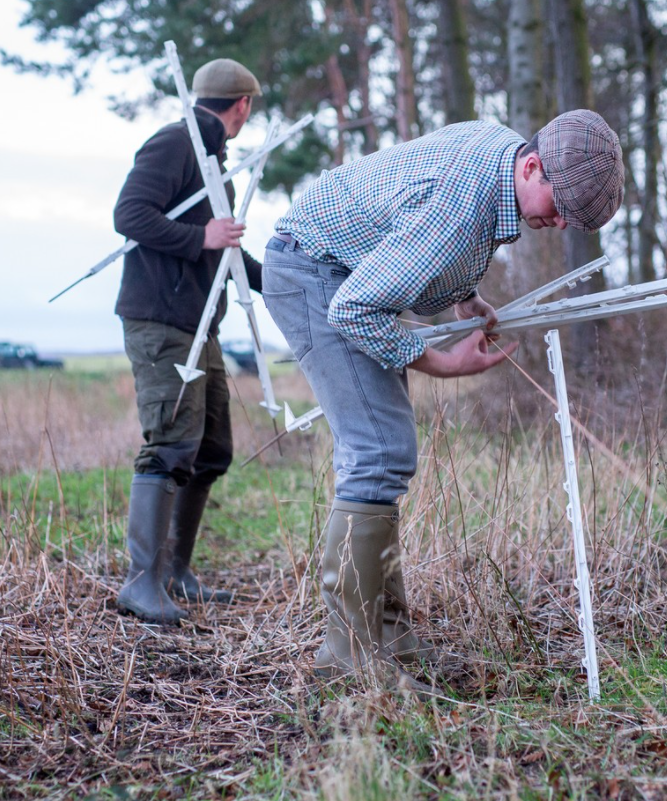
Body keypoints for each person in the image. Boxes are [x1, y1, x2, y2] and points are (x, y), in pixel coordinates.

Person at [261, 109, 624, 685]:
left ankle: (392, 638)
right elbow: (355, 307)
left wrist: (464, 297)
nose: (558, 224)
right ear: (532, 166)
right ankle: (350, 658)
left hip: (344, 270)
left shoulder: (501, 155)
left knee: (384, 450)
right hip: (313, 274)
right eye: (559, 210)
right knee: (378, 451)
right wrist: (444, 364)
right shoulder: (462, 209)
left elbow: (420, 227)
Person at [113, 58, 264, 624]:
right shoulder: (175, 144)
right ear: (242, 104)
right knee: (172, 442)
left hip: (200, 325)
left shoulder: (212, 158)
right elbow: (129, 214)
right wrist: (199, 235)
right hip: (161, 321)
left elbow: (223, 248)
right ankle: (141, 584)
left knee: (211, 447)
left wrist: (280, 283)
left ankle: (176, 573)